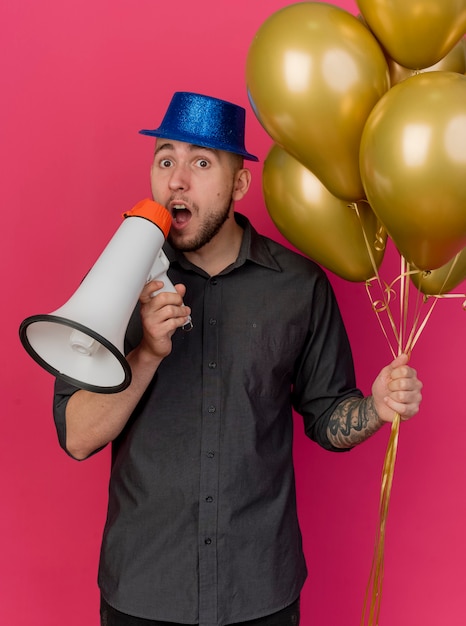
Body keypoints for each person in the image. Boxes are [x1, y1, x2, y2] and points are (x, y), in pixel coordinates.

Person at [53, 92, 423, 626]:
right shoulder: (113, 285)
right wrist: (149, 354)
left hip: (259, 592)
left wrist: (375, 408)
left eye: (201, 163)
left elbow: (328, 417)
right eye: (165, 160)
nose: (177, 181)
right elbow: (77, 436)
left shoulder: (298, 287)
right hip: (144, 589)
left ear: (241, 184)